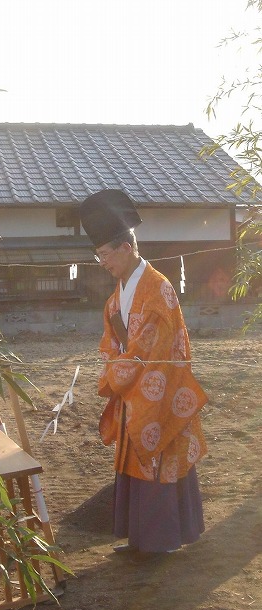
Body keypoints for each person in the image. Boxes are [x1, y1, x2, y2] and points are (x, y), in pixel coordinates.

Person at [79, 189, 208, 563]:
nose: (102, 263)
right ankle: (139, 537)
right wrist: (116, 368)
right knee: (135, 459)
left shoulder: (158, 288)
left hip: (159, 390)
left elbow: (152, 346)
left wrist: (116, 374)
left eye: (104, 255)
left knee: (158, 455)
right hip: (133, 388)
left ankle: (163, 539)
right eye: (98, 255)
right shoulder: (119, 292)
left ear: (125, 247)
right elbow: (114, 342)